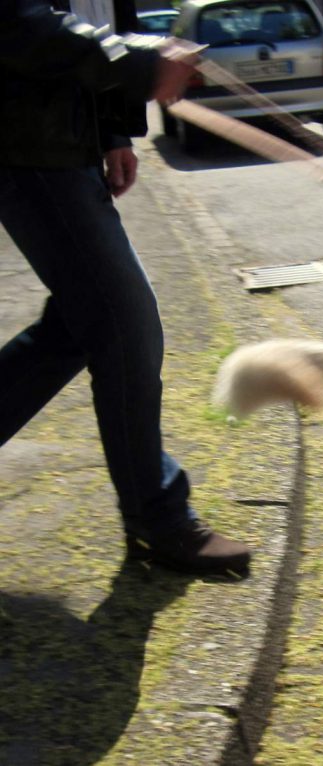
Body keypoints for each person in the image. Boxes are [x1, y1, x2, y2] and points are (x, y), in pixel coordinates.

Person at [0, 0, 251, 576]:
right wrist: (138, 64)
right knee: (124, 322)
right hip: (25, 147)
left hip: (65, 141)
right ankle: (156, 517)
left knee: (76, 327)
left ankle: (152, 512)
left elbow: (94, 10)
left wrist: (113, 127)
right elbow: (16, 21)